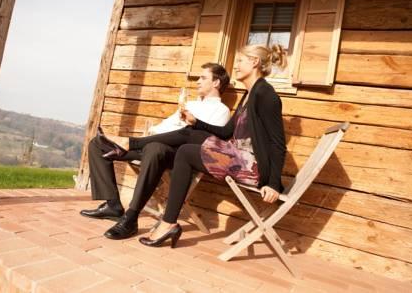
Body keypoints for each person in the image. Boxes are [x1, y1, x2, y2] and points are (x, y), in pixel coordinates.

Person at [116, 44, 288, 248]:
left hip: (252, 167)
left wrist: (274, 184)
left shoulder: (265, 94)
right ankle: (132, 144)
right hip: (237, 155)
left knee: (186, 152)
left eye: (241, 61)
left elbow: (278, 143)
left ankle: (167, 221)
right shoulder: (249, 94)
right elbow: (226, 132)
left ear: (254, 62)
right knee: (191, 133)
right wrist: (196, 121)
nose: (237, 66)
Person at [80, 63, 231, 240]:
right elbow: (167, 124)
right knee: (98, 144)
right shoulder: (189, 104)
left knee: (154, 148)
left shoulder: (221, 111)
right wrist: (152, 132)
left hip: (175, 155)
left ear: (216, 83)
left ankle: (131, 218)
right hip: (153, 145)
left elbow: (205, 142)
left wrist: (191, 123)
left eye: (203, 78)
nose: (197, 81)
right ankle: (113, 205)